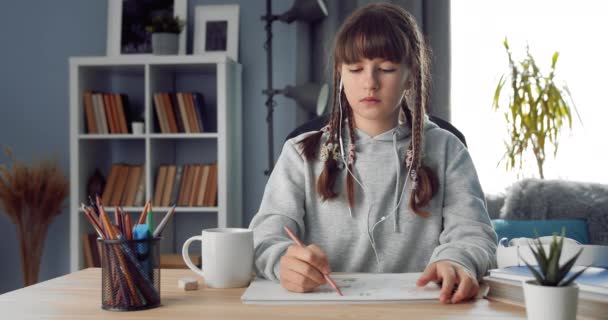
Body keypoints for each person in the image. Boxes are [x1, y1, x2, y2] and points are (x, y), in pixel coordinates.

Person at [249, 3, 497, 304]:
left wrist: (458, 260)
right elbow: (264, 238)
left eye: (387, 69)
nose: (370, 82)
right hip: (323, 308)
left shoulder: (447, 150)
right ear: (340, 73)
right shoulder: (301, 153)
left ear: (410, 75)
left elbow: (474, 233)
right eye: (355, 69)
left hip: (426, 308)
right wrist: (282, 261)